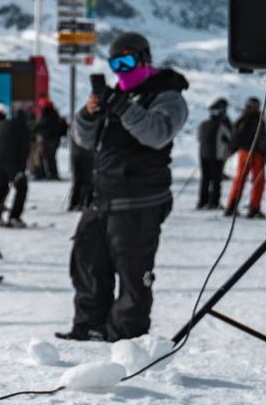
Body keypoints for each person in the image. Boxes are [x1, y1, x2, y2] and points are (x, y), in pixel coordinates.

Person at [58, 33, 187, 342]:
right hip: (103, 196)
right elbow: (84, 140)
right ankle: (90, 325)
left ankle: (126, 337)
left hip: (140, 200)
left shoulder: (167, 95)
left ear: (144, 58)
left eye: (127, 61)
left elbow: (157, 134)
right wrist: (89, 114)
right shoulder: (115, 97)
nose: (121, 69)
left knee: (132, 274)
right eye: (115, 63)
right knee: (87, 262)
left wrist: (123, 107)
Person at [0, 106, 33, 227]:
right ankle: (14, 217)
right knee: (21, 187)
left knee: (2, 186)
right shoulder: (23, 128)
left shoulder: (0, 125)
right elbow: (24, 149)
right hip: (11, 162)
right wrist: (21, 170)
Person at [224, 97, 266, 219]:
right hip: (256, 154)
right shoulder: (258, 120)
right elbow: (261, 138)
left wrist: (232, 149)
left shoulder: (241, 119)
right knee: (258, 181)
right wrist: (265, 154)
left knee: (239, 180)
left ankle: (231, 206)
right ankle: (254, 208)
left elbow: (234, 136)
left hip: (243, 153)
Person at [195, 98, 232, 210]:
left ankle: (202, 201)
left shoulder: (203, 124)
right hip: (217, 156)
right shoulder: (222, 126)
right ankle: (214, 202)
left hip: (203, 154)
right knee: (216, 180)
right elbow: (230, 137)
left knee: (205, 179)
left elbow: (199, 137)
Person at [34, 98, 68, 180]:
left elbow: (42, 126)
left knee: (47, 156)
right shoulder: (54, 114)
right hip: (53, 138)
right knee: (49, 156)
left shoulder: (47, 115)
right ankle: (51, 173)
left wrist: (36, 129)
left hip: (49, 139)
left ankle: (47, 174)